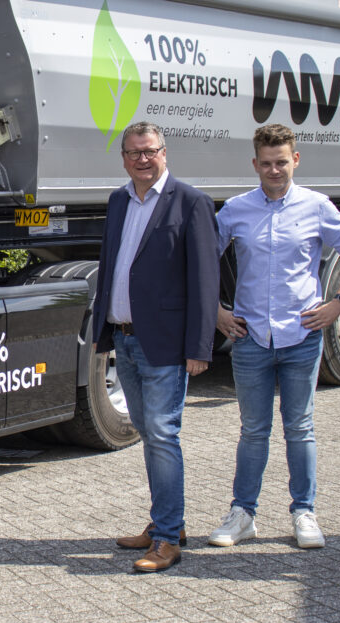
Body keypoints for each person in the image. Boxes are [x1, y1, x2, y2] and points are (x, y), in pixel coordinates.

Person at [208, 124, 340, 549]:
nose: (274, 170)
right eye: (266, 163)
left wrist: (339, 302)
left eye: (282, 162)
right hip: (251, 337)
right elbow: (202, 261)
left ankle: (304, 513)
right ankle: (243, 514)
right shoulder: (236, 210)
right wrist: (217, 312)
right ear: (254, 164)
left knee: (300, 427)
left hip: (301, 336)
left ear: (295, 160)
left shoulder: (317, 206)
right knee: (253, 430)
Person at [96, 122, 220, 573]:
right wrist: (102, 329)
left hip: (166, 345)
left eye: (149, 152)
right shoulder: (118, 201)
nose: (141, 160)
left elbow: (206, 282)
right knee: (150, 435)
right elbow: (112, 266)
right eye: (133, 153)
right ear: (124, 158)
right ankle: (168, 521)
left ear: (165, 153)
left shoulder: (191, 203)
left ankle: (167, 539)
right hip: (125, 340)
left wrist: (199, 346)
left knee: (163, 434)